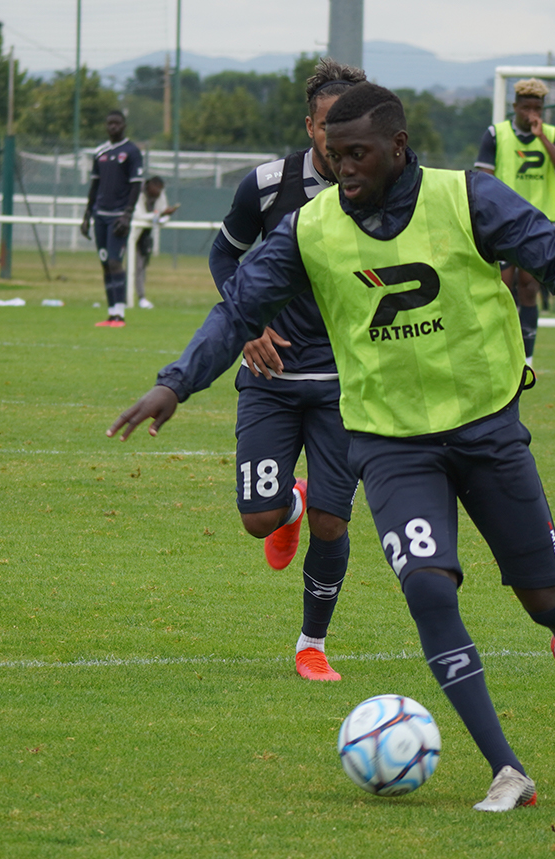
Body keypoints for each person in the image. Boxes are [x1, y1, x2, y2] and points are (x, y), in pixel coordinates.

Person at [107, 83, 555, 812]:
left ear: (397, 148)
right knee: (427, 585)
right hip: (390, 443)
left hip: (487, 428)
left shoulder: (469, 199)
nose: (343, 169)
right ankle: (506, 770)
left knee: (545, 597)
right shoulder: (311, 228)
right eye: (333, 156)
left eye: (357, 154)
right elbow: (238, 309)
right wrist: (176, 384)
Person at [204, 58, 367, 683]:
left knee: (336, 518)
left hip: (344, 387)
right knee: (259, 521)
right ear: (309, 125)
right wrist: (246, 322)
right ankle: (287, 507)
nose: (337, 138)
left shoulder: (382, 187)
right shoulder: (267, 187)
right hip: (271, 379)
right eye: (328, 125)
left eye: (350, 125)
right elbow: (224, 252)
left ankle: (311, 645)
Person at [475, 78, 555, 366]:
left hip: (539, 222)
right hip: (503, 221)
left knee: (529, 285)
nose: (532, 112)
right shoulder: (496, 134)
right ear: (515, 106)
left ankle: (527, 358)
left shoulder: (553, 134)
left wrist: (542, 137)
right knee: (502, 287)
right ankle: (499, 352)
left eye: (538, 107)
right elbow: (483, 177)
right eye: (527, 106)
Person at [81, 110, 144, 328]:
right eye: (109, 123)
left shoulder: (132, 151)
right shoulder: (100, 152)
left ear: (124, 125)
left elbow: (136, 185)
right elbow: (94, 185)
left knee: (116, 262)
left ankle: (120, 314)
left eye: (117, 123)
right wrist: (87, 214)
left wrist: (127, 214)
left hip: (118, 217)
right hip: (100, 216)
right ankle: (110, 314)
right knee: (106, 263)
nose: (113, 127)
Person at [133, 176, 180, 310]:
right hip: (129, 232)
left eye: (160, 189)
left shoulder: (160, 194)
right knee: (126, 267)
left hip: (145, 234)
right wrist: (159, 214)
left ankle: (140, 297)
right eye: (156, 188)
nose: (158, 192)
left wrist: (163, 215)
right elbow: (139, 216)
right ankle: (125, 297)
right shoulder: (138, 192)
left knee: (140, 266)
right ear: (149, 186)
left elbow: (162, 213)